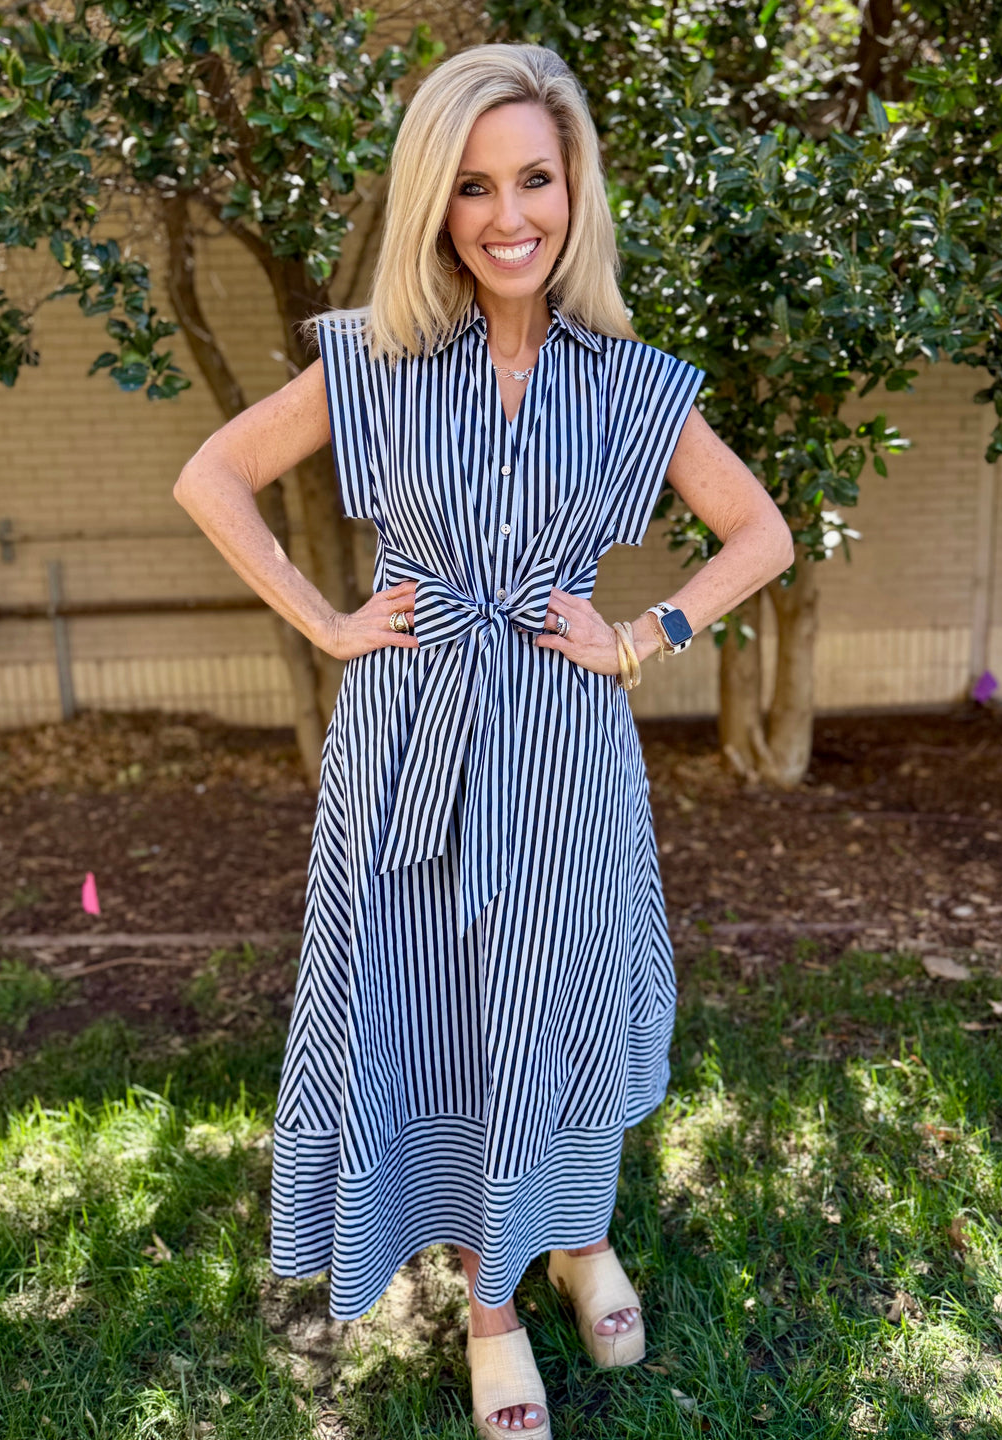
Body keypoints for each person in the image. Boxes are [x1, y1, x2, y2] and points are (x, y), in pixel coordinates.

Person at [173, 40, 794, 1439]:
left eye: (534, 177)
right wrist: (327, 624)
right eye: (471, 186)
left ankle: (579, 1237)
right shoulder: (376, 363)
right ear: (432, 206)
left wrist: (648, 638)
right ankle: (491, 1305)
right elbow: (210, 476)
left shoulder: (630, 384)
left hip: (566, 750)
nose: (508, 215)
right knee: (444, 1018)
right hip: (412, 738)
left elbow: (761, 534)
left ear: (574, 186)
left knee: (561, 1008)